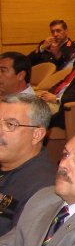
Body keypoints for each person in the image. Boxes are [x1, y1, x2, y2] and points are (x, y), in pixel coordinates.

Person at [0, 95, 56, 236]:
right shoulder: (7, 164)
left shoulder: (44, 187)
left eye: (10, 125)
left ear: (37, 134)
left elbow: (18, 243)